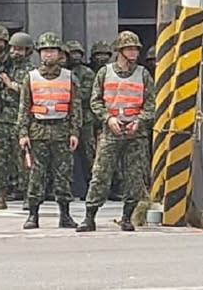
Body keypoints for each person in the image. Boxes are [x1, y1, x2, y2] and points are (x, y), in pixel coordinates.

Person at [77, 30, 155, 233]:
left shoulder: (143, 74)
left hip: (135, 134)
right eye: (129, 49)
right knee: (100, 174)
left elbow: (150, 105)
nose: (134, 52)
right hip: (111, 132)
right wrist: (107, 118)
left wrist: (140, 121)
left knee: (135, 177)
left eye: (136, 49)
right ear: (119, 51)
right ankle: (89, 216)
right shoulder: (104, 73)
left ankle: (127, 217)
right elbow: (95, 101)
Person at [18, 33, 82, 229]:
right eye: (45, 51)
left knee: (63, 175)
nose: (48, 55)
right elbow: (24, 107)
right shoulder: (31, 77)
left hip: (62, 132)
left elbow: (75, 107)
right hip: (38, 131)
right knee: (36, 176)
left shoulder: (69, 77)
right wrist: (23, 133)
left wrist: (74, 132)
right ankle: (32, 215)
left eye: (52, 51)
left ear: (59, 54)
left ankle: (65, 215)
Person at [0, 32, 35, 209]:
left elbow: (31, 93)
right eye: (12, 48)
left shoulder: (31, 71)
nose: (14, 52)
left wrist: (11, 85)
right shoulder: (3, 67)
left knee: (23, 160)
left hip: (19, 121)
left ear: (27, 51)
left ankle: (28, 195)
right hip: (0, 118)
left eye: (19, 49)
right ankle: (0, 196)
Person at [65, 40, 97, 195]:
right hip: (65, 119)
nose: (75, 56)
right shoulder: (62, 73)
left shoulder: (87, 73)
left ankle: (92, 189)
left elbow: (86, 94)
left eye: (78, 53)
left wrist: (68, 95)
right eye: (72, 53)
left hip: (85, 119)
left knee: (88, 155)